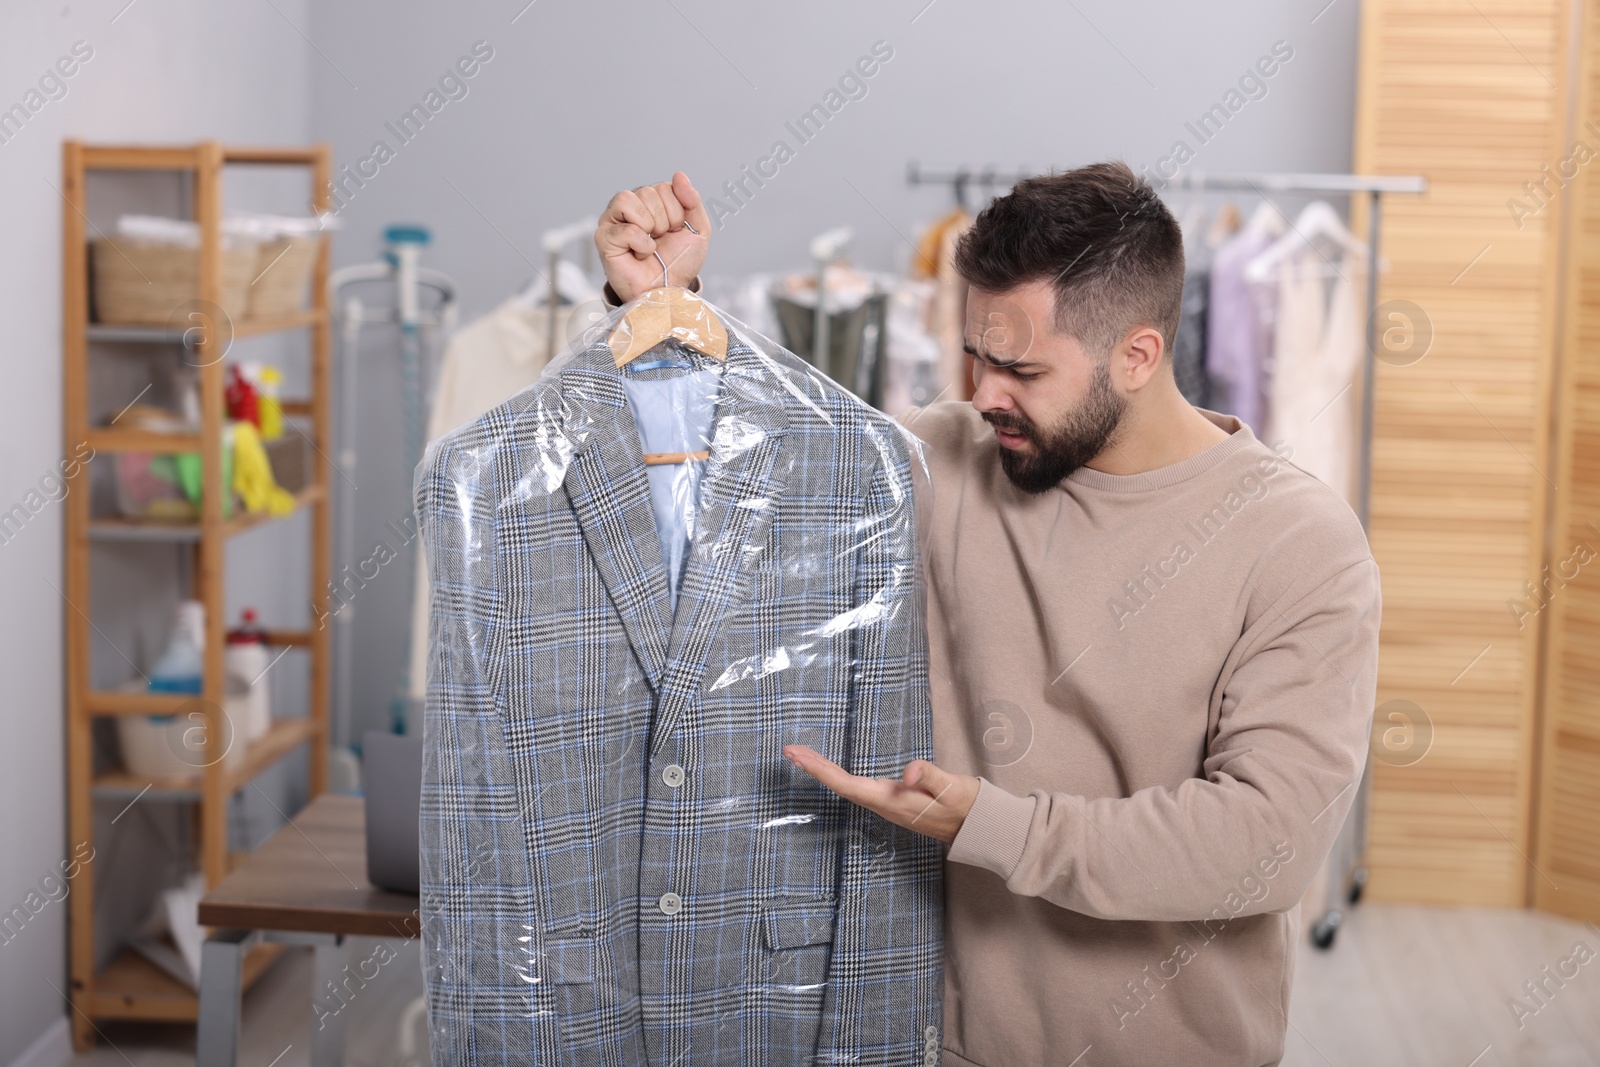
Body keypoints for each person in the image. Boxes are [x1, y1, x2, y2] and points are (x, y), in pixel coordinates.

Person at [595, 164, 1380, 1067]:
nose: (984, 391)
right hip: (931, 1045)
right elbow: (747, 471)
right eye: (977, 355)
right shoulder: (945, 456)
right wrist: (665, 301)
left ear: (1138, 355)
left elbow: (1266, 842)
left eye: (1021, 368)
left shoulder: (1299, 543)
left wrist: (990, 823)